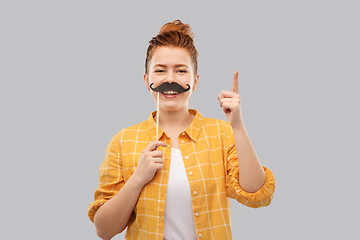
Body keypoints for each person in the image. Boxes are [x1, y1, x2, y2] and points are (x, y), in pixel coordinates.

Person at [88, 20, 275, 240]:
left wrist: (238, 127)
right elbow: (104, 230)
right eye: (160, 70)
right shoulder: (123, 141)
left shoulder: (222, 134)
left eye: (180, 71)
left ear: (194, 81)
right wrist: (138, 178)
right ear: (147, 80)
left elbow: (257, 195)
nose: (170, 79)